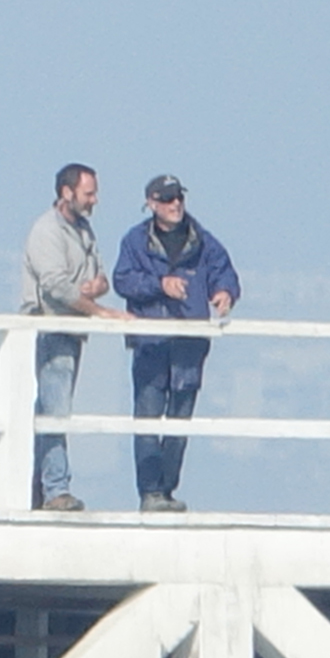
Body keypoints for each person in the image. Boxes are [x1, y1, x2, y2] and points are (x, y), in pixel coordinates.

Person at [112, 175, 240, 513]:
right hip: (151, 343)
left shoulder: (203, 240)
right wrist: (159, 284)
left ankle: (167, 489)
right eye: (167, 199)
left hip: (189, 344)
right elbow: (123, 280)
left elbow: (224, 271)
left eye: (178, 198)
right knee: (148, 418)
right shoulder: (135, 241)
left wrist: (225, 293)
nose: (175, 205)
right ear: (152, 203)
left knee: (180, 420)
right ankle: (150, 492)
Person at [20, 163, 127, 512]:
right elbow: (56, 285)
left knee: (53, 410)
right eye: (88, 193)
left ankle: (41, 489)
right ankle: (54, 490)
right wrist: (100, 310)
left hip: (72, 330)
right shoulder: (46, 231)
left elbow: (100, 276)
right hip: (51, 329)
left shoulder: (84, 230)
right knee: (54, 410)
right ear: (67, 193)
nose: (94, 200)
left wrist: (97, 287)